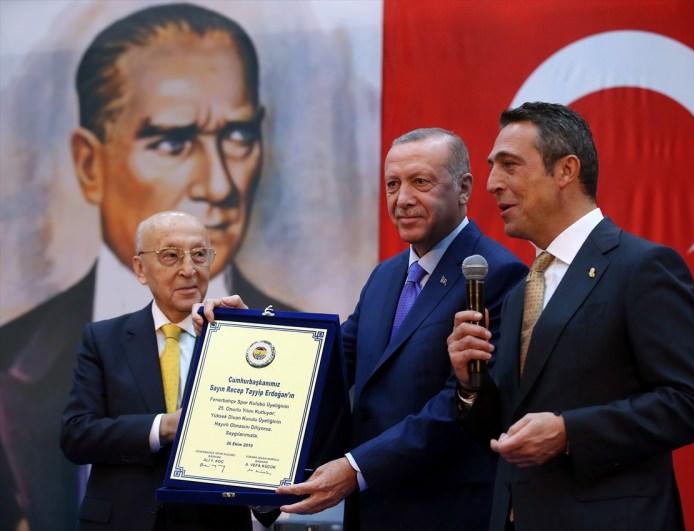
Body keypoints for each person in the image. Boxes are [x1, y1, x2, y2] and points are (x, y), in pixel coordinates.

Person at [0, 4, 291, 529]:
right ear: (89, 163)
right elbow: (77, 434)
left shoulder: (267, 340)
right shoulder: (95, 340)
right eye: (174, 141)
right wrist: (164, 427)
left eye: (238, 136)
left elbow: (276, 454)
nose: (220, 185)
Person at [200, 128, 527, 530]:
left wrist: (356, 468)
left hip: (445, 511)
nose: (402, 199)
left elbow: (457, 406)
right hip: (371, 511)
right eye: (392, 184)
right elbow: (326, 361)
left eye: (420, 182)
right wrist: (249, 335)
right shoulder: (385, 276)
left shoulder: (498, 275)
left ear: (464, 188)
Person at [447, 102, 694, 531]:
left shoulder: (642, 268)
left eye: (510, 165)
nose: (492, 183)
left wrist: (569, 432)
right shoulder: (522, 291)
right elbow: (510, 424)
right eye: (491, 167)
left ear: (566, 171)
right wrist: (470, 386)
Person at [60, 210, 253, 530]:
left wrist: (250, 333)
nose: (189, 269)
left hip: (215, 521)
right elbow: (77, 435)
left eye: (199, 254)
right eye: (171, 256)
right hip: (122, 520)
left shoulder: (234, 338)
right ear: (140, 268)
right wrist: (163, 427)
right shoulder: (104, 340)